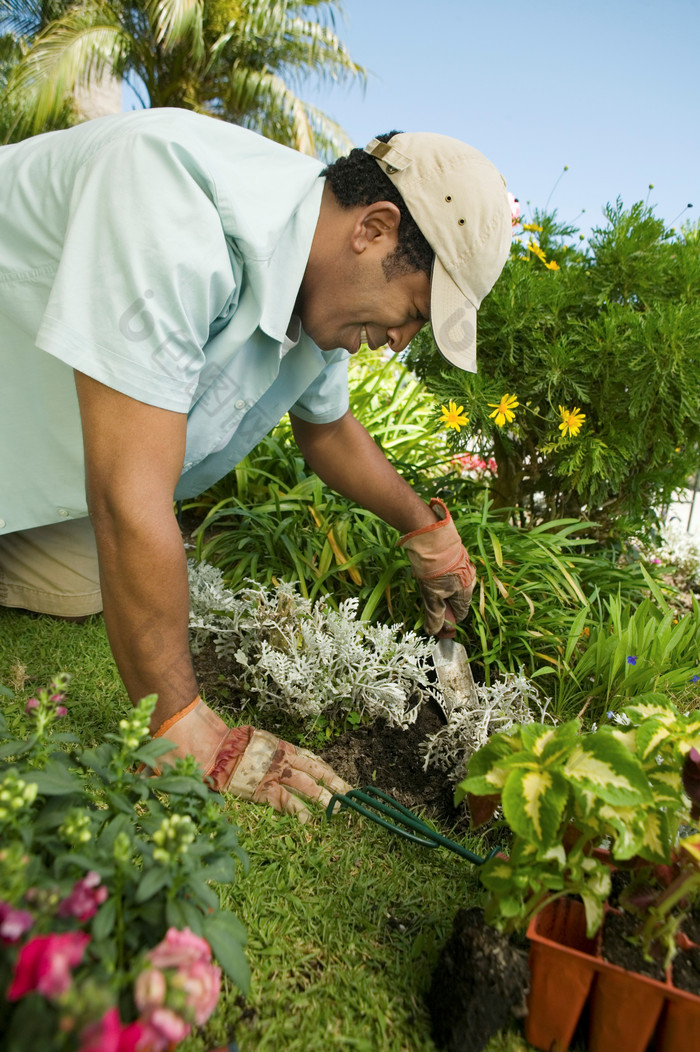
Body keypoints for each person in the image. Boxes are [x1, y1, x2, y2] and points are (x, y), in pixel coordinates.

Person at [0, 110, 512, 820]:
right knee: (125, 546)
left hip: (27, 442)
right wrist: (182, 722)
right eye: (415, 312)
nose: (398, 342)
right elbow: (128, 495)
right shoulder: (171, 193)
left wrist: (427, 530)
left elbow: (328, 429)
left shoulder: (319, 290)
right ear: (374, 229)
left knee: (91, 582)